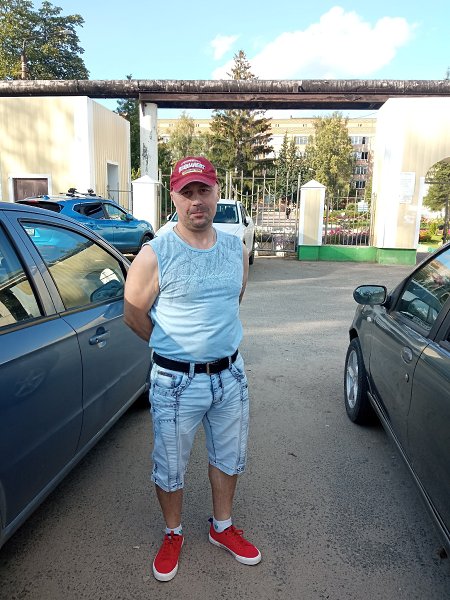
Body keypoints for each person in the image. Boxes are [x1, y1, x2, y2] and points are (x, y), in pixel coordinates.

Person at [124, 156, 261, 582]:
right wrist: (175, 350)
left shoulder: (235, 249)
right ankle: (173, 533)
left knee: (230, 457)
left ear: (217, 192)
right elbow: (133, 314)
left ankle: (222, 527)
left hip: (230, 377)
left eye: (204, 190)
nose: (196, 200)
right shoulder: (155, 254)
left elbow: (233, 301)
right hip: (175, 382)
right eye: (187, 192)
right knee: (170, 465)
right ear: (174, 197)